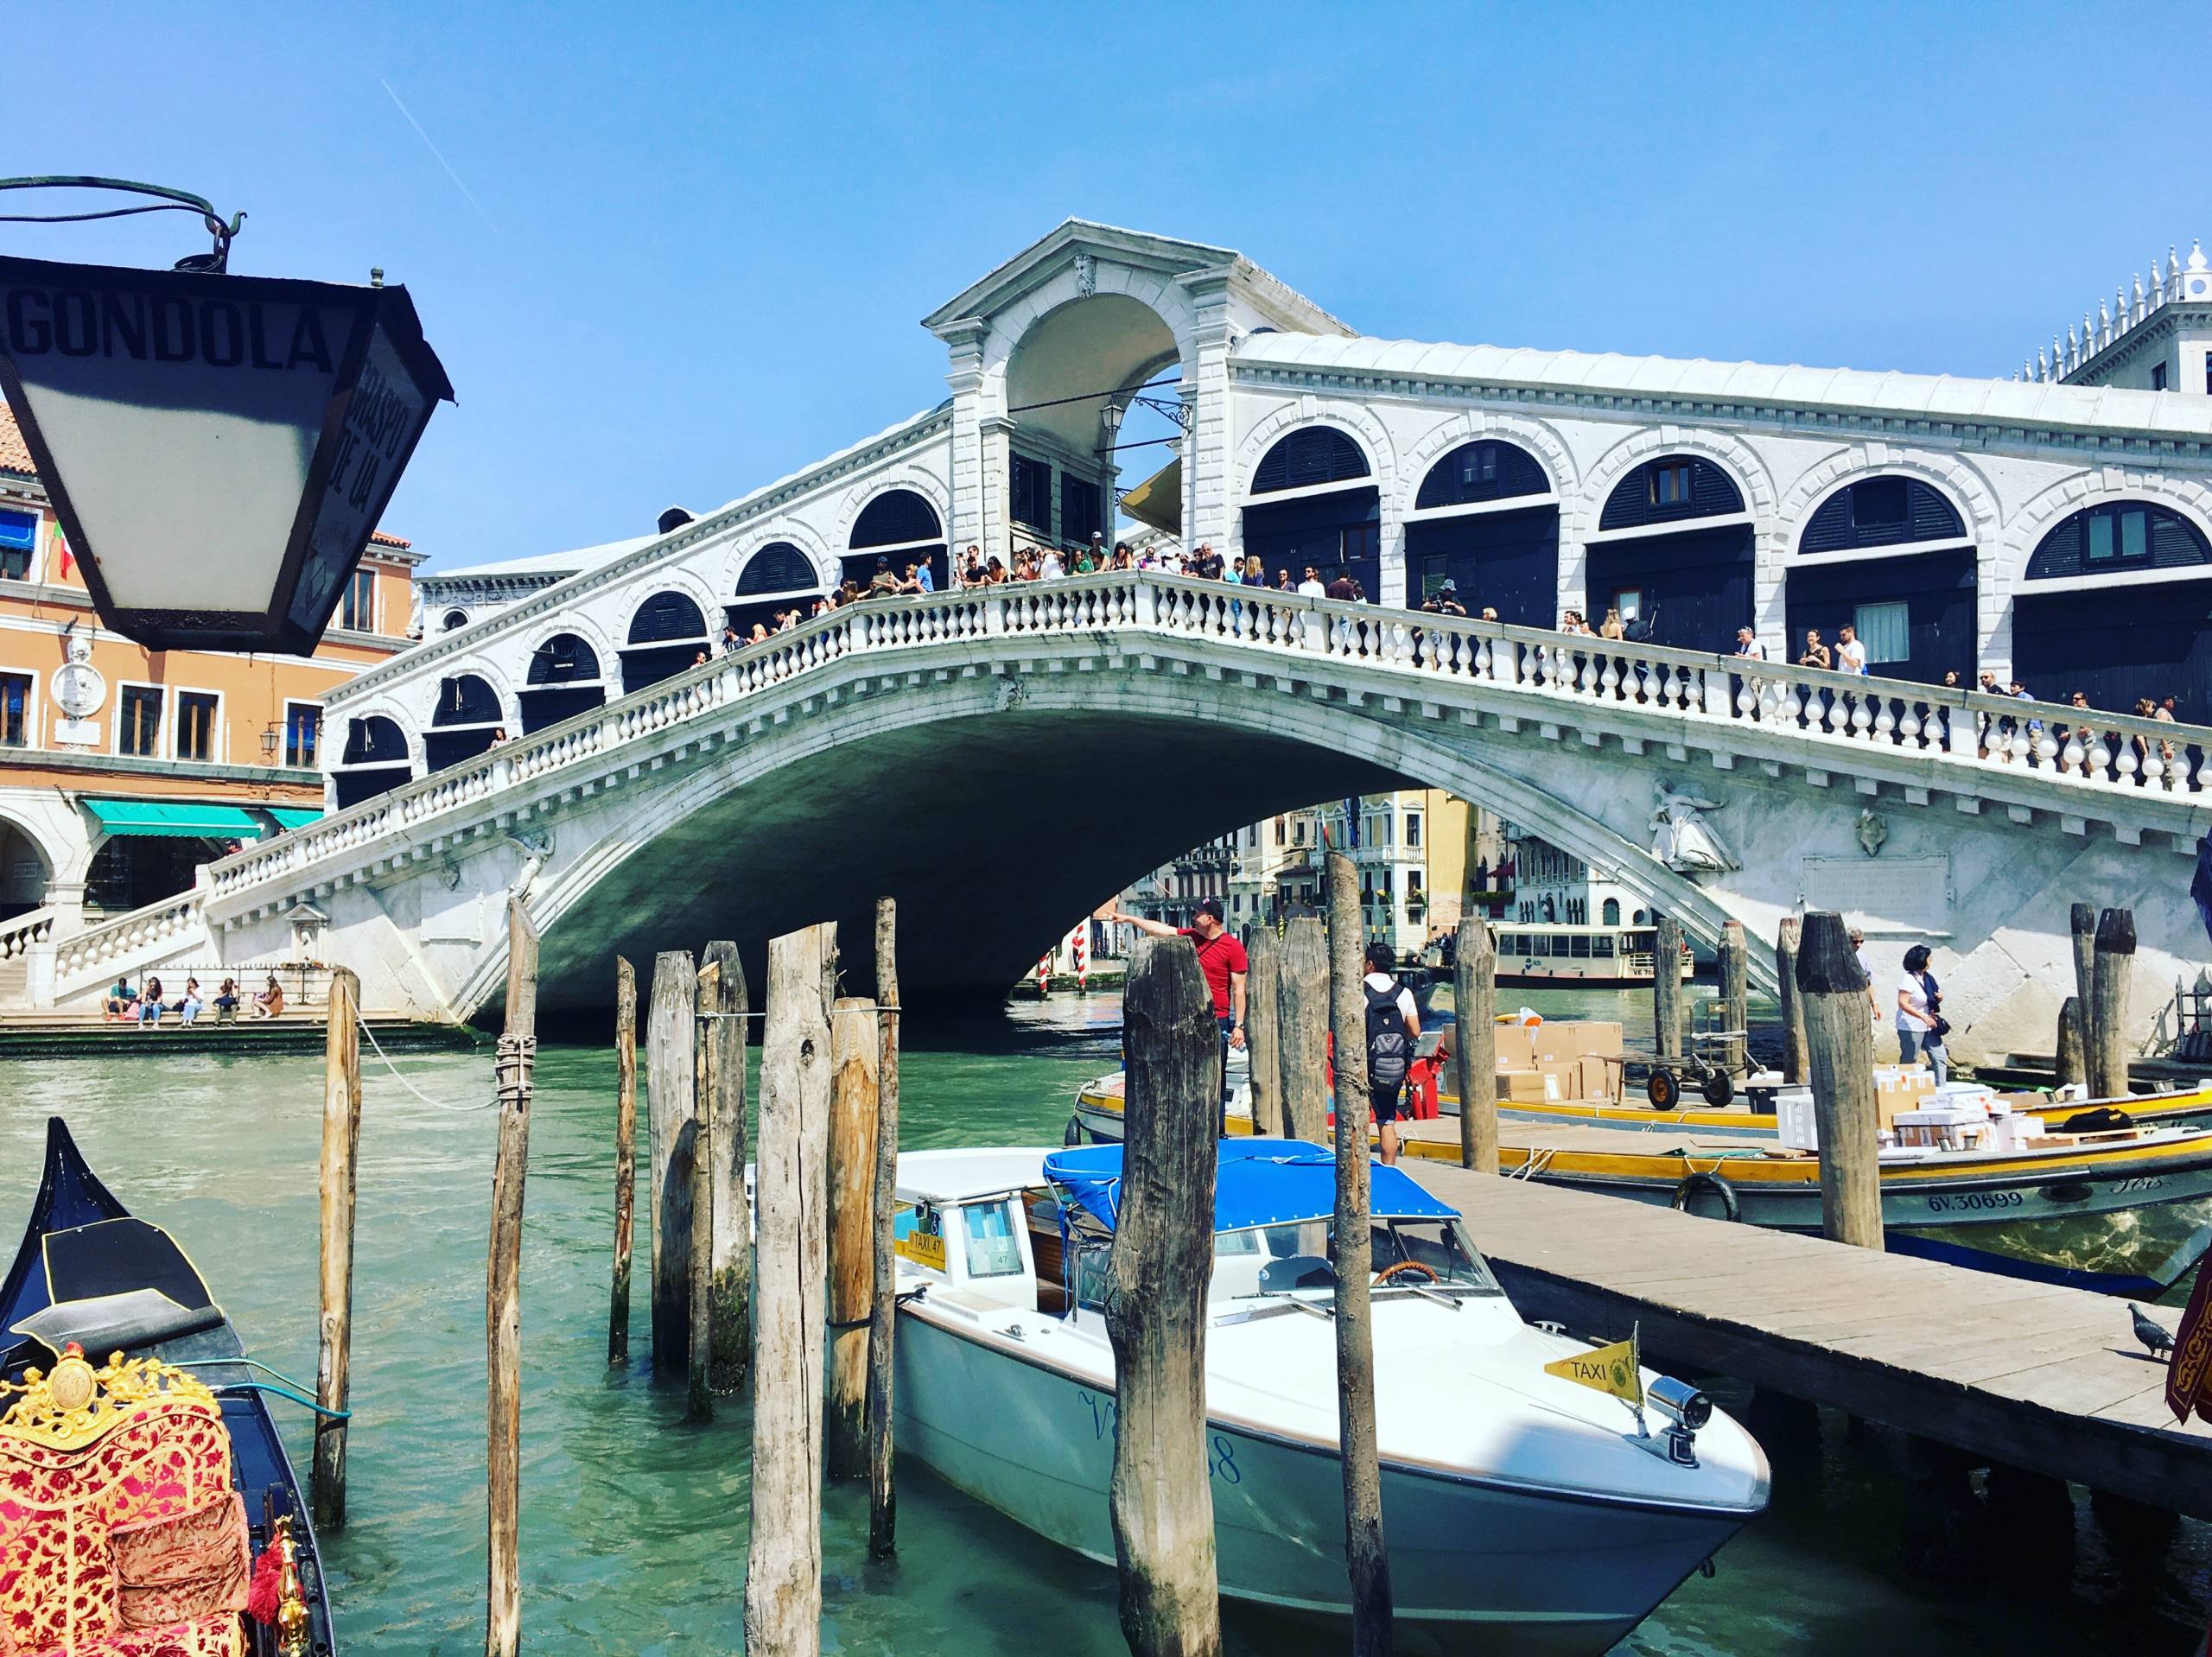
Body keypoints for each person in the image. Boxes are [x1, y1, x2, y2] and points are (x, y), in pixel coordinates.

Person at [1107, 897, 1248, 1133]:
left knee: (1214, 1075)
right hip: (1187, 1018)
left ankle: (1217, 1131)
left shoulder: (1232, 947)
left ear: (1210, 918)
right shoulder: (1191, 938)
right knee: (1184, 1073)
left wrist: (1239, 1026)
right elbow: (1160, 929)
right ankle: (1186, 1128)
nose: (1194, 917)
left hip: (1216, 1019)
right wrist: (1130, 918)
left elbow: (1239, 990)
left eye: (1198, 914)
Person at [1362, 941, 1421, 1166]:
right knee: (1386, 1121)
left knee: (1355, 1117)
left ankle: (1356, 1168)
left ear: (1369, 964)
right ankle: (1390, 1170)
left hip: (1364, 1064)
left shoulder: (1359, 991)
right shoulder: (1403, 993)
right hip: (1393, 1065)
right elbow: (1415, 1031)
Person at [1897, 943, 1948, 1084]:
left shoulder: (1927, 978)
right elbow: (1903, 1003)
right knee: (1909, 1060)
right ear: (1921, 960)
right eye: (1929, 958)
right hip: (1911, 1025)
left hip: (1929, 1025)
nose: (1931, 960)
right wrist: (1923, 1017)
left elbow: (1928, 999)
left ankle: (1941, 1089)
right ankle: (1903, 1088)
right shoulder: (1908, 979)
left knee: (1940, 1057)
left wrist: (1939, 998)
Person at [1848, 927, 1880, 1024]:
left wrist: (1874, 1004)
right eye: (1855, 942)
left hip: (1860, 1000)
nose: (1858, 945)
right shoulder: (1836, 957)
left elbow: (1868, 983)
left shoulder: (1863, 958)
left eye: (1861, 941)